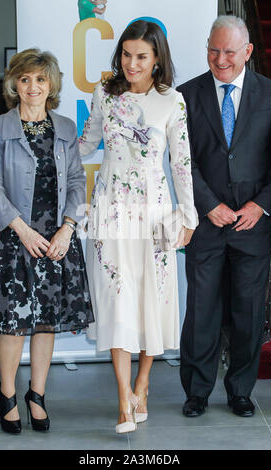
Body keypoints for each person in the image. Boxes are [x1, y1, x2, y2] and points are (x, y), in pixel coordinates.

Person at [79, 20, 198, 433]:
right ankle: (123, 398)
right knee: (116, 298)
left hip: (157, 213)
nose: (131, 63)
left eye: (141, 56)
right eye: (126, 54)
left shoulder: (173, 102)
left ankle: (143, 383)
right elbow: (85, 144)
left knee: (153, 296)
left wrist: (189, 215)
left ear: (157, 59)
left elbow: (181, 164)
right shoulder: (104, 95)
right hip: (110, 209)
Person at [0, 49, 94, 434]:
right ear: (14, 84)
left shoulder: (64, 127)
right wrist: (22, 230)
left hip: (56, 240)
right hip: (15, 239)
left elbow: (78, 182)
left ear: (51, 85)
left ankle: (37, 396)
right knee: (13, 324)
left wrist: (67, 228)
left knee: (45, 322)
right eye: (25, 79)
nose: (33, 87)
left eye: (40, 80)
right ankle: (8, 396)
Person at [177, 15, 271, 418]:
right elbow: (183, 162)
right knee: (202, 310)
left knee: (247, 310)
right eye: (212, 49)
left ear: (248, 52)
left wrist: (259, 205)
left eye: (229, 52)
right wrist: (208, 204)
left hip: (253, 224)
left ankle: (240, 389)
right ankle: (197, 392)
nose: (219, 59)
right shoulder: (186, 95)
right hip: (206, 223)